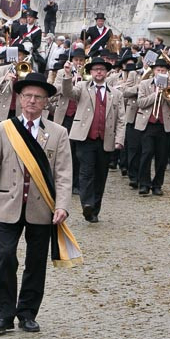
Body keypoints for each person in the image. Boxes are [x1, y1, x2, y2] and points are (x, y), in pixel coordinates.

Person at [0, 72, 75, 335]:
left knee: (35, 262)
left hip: (41, 208)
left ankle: (28, 313)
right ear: (20, 99)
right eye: (28, 96)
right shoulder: (3, 129)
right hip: (8, 204)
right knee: (6, 257)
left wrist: (62, 205)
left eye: (38, 97)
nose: (32, 101)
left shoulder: (58, 133)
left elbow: (64, 174)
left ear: (46, 103)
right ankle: (3, 315)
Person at [61, 55, 124, 223]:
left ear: (106, 73)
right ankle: (87, 204)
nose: (99, 72)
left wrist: (119, 139)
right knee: (86, 172)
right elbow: (68, 92)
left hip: (106, 139)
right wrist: (67, 76)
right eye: (96, 69)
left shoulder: (116, 94)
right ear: (91, 72)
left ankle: (95, 209)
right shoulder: (82, 87)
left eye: (102, 70)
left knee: (101, 175)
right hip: (85, 137)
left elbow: (121, 119)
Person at [134, 58, 170, 195]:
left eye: (163, 70)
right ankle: (144, 184)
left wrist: (166, 94)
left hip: (164, 125)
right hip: (147, 124)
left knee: (162, 157)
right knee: (146, 153)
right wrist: (155, 95)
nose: (161, 72)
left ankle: (157, 185)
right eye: (158, 70)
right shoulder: (144, 84)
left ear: (167, 72)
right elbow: (140, 103)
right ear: (153, 71)